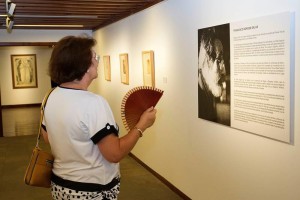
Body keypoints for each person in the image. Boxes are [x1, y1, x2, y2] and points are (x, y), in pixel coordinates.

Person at [41, 35, 157, 200]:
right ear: (85, 66)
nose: (97, 61)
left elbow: (48, 138)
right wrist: (141, 126)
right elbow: (114, 154)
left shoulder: (50, 97)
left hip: (60, 186)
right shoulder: (94, 103)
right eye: (95, 58)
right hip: (90, 191)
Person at [198, 26, 230, 125]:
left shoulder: (208, 99)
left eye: (221, 58)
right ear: (202, 62)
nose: (223, 69)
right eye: (217, 58)